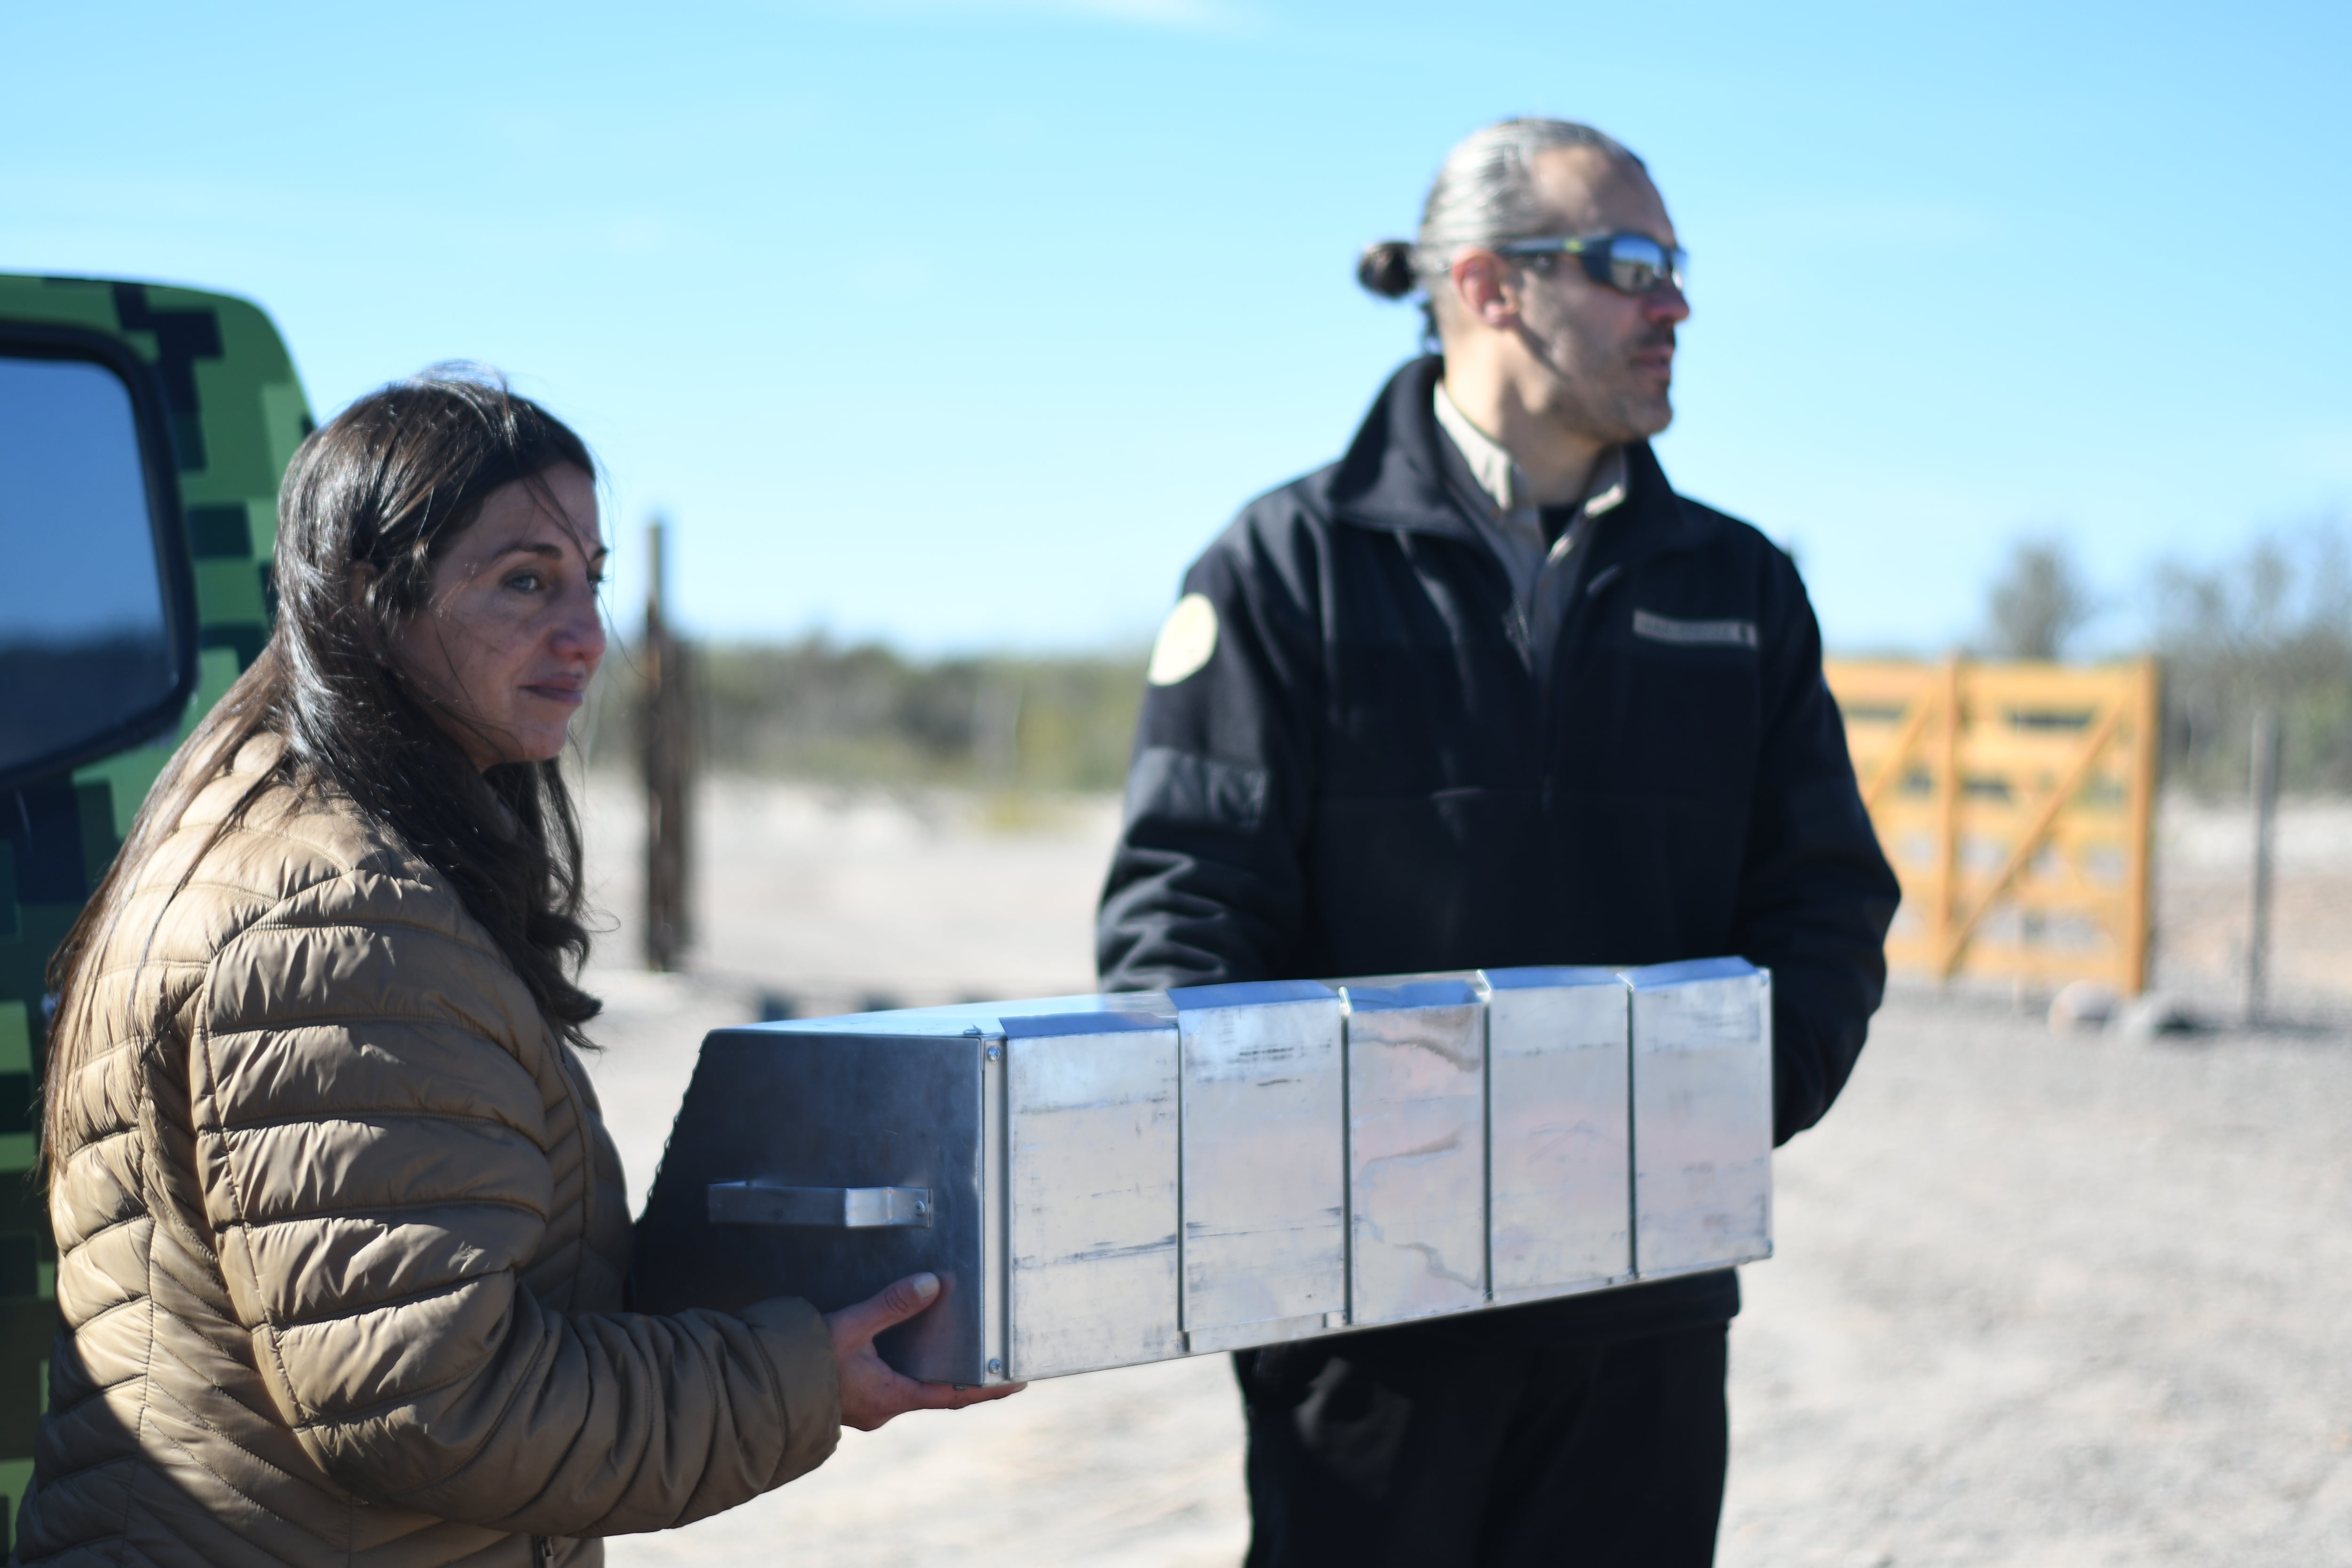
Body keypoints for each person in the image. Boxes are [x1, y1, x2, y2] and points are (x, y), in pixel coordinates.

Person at [24, 372, 1016, 1568]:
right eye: (523, 581)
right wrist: (796, 1378)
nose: (587, 635)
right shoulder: (336, 921)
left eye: (590, 579)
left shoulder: (281, 830)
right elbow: (431, 1402)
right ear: (367, 595)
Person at [1096, 118, 1900, 1567]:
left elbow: (1826, 901)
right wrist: (1310, 1204)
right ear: (1488, 285)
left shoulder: (1740, 587)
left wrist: (1716, 1114)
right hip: (1368, 1334)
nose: (1677, 305)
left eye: (1676, 266)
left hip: (1644, 1326)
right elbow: (1181, 929)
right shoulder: (1286, 568)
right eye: (1633, 263)